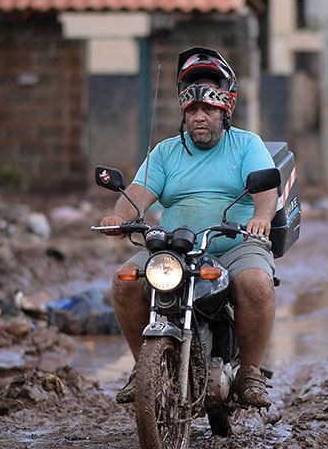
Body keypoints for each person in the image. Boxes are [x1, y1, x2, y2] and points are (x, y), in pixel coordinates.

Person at [99, 46, 278, 409]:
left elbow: (266, 189)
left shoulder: (246, 144)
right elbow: (136, 194)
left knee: (256, 282)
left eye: (209, 109)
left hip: (234, 243)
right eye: (193, 109)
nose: (200, 117)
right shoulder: (166, 152)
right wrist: (119, 216)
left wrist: (261, 217)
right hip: (174, 249)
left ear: (224, 110)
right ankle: (142, 370)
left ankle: (250, 372)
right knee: (125, 280)